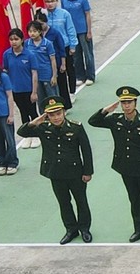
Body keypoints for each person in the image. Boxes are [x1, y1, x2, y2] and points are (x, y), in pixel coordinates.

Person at [17, 96, 94, 245]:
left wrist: (87, 171)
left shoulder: (76, 127)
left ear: (64, 112)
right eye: (52, 115)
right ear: (47, 116)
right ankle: (71, 229)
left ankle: (84, 228)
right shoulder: (43, 127)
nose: (56, 117)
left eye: (58, 113)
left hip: (75, 172)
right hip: (56, 173)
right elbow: (22, 132)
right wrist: (35, 122)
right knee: (64, 203)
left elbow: (86, 150)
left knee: (81, 201)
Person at [87, 86, 140, 242]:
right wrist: (106, 110)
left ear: (135, 103)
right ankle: (139, 228)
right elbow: (93, 121)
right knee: (134, 198)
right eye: (123, 103)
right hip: (125, 166)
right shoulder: (115, 120)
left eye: (129, 102)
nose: (126, 106)